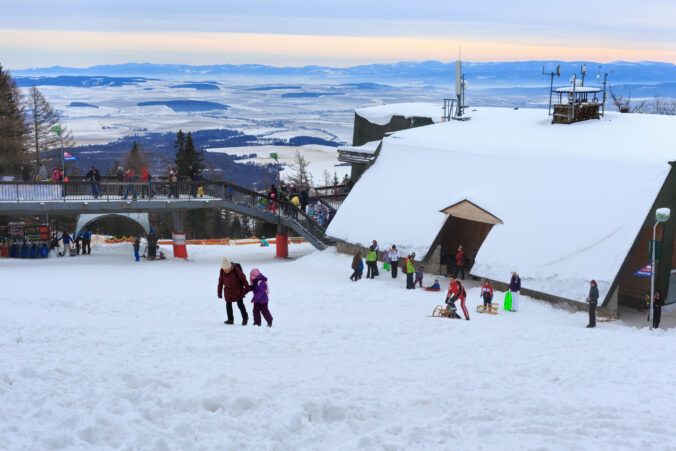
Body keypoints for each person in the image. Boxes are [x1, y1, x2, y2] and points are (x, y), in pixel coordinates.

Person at [217, 257, 250, 325]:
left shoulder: (236, 269)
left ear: (230, 267)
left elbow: (243, 278)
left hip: (237, 289)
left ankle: (245, 318)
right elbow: (220, 283)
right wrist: (219, 292)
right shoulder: (222, 271)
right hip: (228, 291)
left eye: (227, 269)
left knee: (240, 304)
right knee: (228, 305)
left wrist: (247, 287)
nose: (226, 270)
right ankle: (230, 319)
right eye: (224, 269)